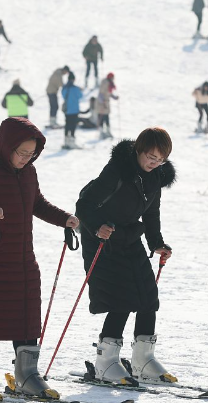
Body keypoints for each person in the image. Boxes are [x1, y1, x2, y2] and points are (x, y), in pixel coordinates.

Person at [0, 116, 79, 398]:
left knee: (26, 313)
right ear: (6, 145)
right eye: (21, 152)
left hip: (20, 259)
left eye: (31, 153)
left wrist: (65, 219)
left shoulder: (29, 172)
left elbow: (37, 203)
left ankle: (27, 375)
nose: (26, 158)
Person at [75, 128, 176, 384]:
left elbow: (151, 215)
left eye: (160, 159)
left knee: (147, 297)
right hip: (103, 239)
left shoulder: (156, 178)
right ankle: (106, 362)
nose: (155, 163)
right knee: (119, 299)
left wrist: (157, 243)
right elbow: (84, 204)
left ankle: (144, 360)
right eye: (151, 157)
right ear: (139, 150)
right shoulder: (118, 170)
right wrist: (98, 227)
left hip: (130, 236)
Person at [61, 72, 83, 149]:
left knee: (67, 125)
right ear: (73, 79)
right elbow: (80, 96)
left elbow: (63, 96)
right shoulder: (76, 88)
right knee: (73, 126)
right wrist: (81, 89)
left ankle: (66, 142)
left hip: (67, 110)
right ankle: (72, 142)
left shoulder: (65, 88)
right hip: (74, 110)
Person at [96, 72, 118, 140]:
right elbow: (101, 94)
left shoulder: (109, 83)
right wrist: (103, 103)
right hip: (102, 104)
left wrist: (114, 97)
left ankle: (107, 132)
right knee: (102, 117)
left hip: (106, 103)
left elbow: (108, 93)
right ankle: (101, 133)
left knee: (106, 117)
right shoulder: (105, 83)